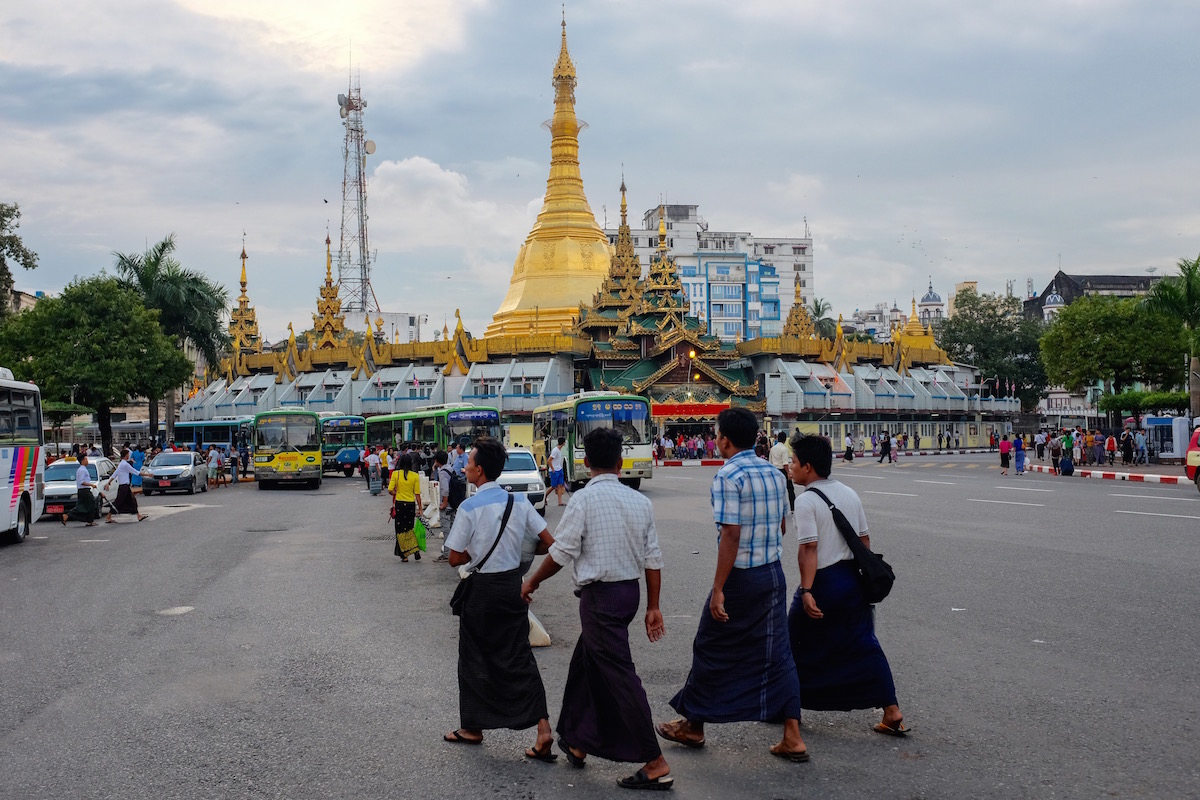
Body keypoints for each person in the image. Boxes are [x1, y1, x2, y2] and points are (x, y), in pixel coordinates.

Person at [522, 428, 672, 790]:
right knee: (585, 666)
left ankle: (655, 761)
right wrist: (654, 606)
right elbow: (653, 559)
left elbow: (561, 553)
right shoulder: (640, 502)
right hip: (629, 594)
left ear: (585, 462)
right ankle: (577, 741)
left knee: (619, 676)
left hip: (600, 599)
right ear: (621, 463)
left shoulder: (584, 500)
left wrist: (531, 582)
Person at [657, 408, 808, 763]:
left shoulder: (729, 475)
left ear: (724, 439)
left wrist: (719, 587)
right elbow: (783, 527)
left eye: (716, 433)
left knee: (710, 645)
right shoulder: (775, 474)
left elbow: (730, 534)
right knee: (778, 652)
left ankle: (694, 725)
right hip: (772, 574)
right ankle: (793, 735)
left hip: (741, 577)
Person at [787, 434, 907, 736]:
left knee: (790, 642)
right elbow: (864, 542)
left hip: (824, 581)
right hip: (852, 580)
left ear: (809, 467)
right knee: (864, 644)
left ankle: (786, 710)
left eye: (794, 462)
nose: (790, 467)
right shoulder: (849, 493)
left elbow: (809, 549)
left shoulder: (805, 501)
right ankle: (891, 711)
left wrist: (807, 590)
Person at [444, 437, 556, 760]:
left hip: (481, 592)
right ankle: (543, 729)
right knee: (519, 656)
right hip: (512, 588)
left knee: (474, 658)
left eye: (468, 463)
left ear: (479, 471)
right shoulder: (519, 503)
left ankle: (473, 727)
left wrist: (476, 553)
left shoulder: (469, 507)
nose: (464, 466)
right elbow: (549, 542)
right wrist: (521, 551)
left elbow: (454, 558)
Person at [389, 452, 424, 562]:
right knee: (409, 528)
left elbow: (390, 490)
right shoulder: (415, 475)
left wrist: (395, 492)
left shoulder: (396, 474)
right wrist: (420, 508)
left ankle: (404, 555)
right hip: (410, 505)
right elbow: (417, 494)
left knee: (400, 529)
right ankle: (415, 549)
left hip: (400, 504)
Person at [104, 448, 147, 523]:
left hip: (124, 486)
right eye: (128, 455)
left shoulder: (121, 464)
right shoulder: (125, 464)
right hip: (124, 487)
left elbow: (115, 474)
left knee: (132, 501)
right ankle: (109, 516)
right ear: (126, 456)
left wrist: (109, 482)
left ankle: (138, 515)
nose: (129, 456)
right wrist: (148, 474)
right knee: (118, 502)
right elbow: (135, 472)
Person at [62, 454, 100, 527]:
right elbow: (81, 482)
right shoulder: (82, 470)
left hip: (83, 490)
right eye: (86, 459)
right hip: (84, 490)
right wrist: (91, 485)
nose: (87, 461)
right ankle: (68, 515)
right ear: (82, 461)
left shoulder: (83, 469)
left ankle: (89, 521)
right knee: (90, 504)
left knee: (85, 505)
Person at [432, 450, 457, 562]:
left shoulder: (442, 472)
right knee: (452, 528)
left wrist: (444, 503)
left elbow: (445, 489)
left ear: (437, 461)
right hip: (454, 503)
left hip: (447, 504)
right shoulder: (450, 468)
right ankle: (453, 551)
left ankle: (447, 553)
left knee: (446, 529)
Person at [768, 431, 795, 513]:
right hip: (782, 470)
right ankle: (793, 508)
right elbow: (785, 464)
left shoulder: (772, 449)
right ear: (785, 440)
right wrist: (788, 473)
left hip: (774, 470)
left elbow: (770, 462)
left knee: (776, 490)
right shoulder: (784, 449)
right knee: (790, 489)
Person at [548, 436, 568, 506]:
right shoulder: (555, 450)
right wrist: (553, 469)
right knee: (554, 486)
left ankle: (560, 501)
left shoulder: (559, 450)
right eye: (564, 442)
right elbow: (549, 460)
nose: (565, 443)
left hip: (559, 469)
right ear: (563, 443)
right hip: (554, 471)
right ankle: (545, 497)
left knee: (560, 485)